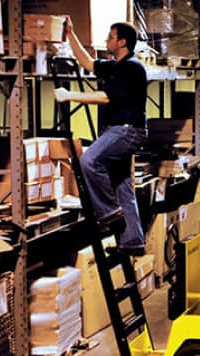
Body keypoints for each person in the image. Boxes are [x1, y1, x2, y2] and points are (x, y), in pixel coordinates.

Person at [54, 18, 147, 256]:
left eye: (110, 37)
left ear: (122, 41)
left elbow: (105, 97)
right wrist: (71, 35)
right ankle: (133, 242)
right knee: (122, 184)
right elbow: (86, 61)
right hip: (118, 131)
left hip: (126, 130)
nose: (107, 40)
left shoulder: (132, 67)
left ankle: (108, 213)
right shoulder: (116, 65)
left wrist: (69, 95)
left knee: (88, 161)